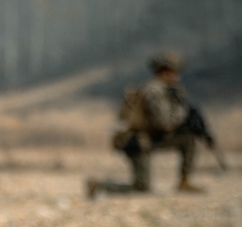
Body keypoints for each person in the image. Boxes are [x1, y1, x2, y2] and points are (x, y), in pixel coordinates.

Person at [86, 52, 205, 198]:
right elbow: (164, 124)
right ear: (166, 72)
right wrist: (183, 116)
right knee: (141, 188)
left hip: (149, 139)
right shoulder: (155, 91)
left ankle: (184, 181)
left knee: (188, 138)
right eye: (175, 73)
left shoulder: (167, 91)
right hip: (137, 142)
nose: (177, 77)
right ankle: (99, 185)